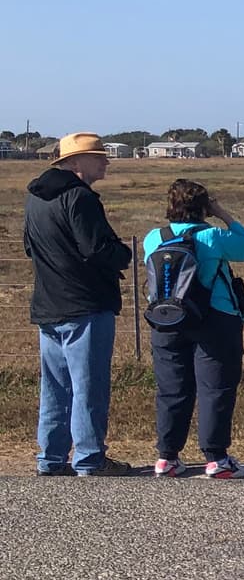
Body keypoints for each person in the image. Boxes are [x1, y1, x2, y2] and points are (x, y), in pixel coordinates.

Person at [24, 132, 135, 477]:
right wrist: (123, 254)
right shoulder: (80, 197)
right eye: (97, 156)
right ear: (74, 163)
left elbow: (30, 247)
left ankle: (52, 458)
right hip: (85, 303)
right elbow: (96, 248)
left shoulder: (35, 198)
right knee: (89, 384)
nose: (105, 161)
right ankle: (89, 457)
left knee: (55, 386)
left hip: (49, 302)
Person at [141, 179, 244, 479]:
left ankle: (167, 458)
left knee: (171, 390)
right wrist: (222, 213)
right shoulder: (214, 236)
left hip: (167, 319)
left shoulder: (153, 238)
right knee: (215, 389)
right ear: (204, 206)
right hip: (215, 318)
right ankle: (216, 459)